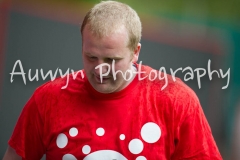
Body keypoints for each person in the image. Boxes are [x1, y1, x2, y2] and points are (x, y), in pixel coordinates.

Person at [3, 1, 222, 160]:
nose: (100, 69)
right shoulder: (48, 99)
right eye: (91, 57)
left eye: (112, 59)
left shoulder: (177, 100)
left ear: (136, 52)